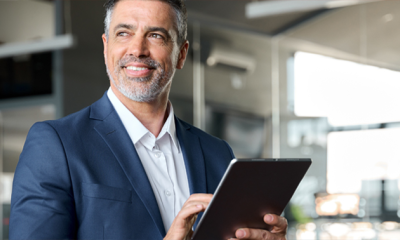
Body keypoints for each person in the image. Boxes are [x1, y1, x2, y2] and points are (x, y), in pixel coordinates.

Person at [10, 0, 288, 239]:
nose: (138, 49)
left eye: (155, 35)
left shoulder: (217, 154)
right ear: (106, 47)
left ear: (181, 54)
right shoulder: (56, 144)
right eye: (123, 33)